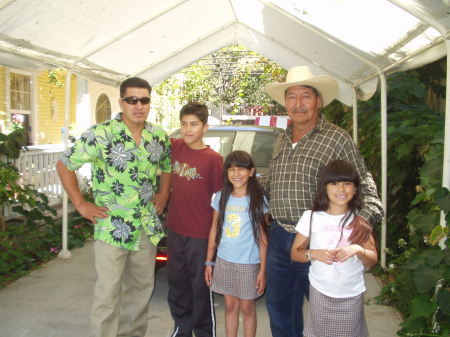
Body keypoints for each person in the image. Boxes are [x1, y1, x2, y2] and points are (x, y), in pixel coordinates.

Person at [261, 65, 383, 337]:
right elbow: (270, 181)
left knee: (324, 315)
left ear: (319, 101)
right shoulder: (281, 138)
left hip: (320, 240)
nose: (298, 104)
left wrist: (366, 216)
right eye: (291, 97)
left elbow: (363, 180)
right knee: (279, 308)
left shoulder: (336, 138)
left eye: (306, 96)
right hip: (281, 237)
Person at [56, 77, 172, 337]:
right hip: (111, 226)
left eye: (144, 100)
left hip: (145, 226)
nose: (138, 106)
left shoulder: (158, 136)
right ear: (121, 102)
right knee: (107, 296)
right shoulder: (100, 134)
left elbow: (166, 167)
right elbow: (64, 165)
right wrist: (81, 204)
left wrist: (163, 194)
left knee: (141, 293)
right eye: (132, 100)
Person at [291, 160, 377, 337]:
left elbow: (372, 259)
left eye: (347, 184)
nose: (341, 189)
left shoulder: (360, 221)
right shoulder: (311, 217)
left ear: (355, 189)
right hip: (320, 292)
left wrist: (358, 250)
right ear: (325, 188)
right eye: (334, 183)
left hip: (351, 294)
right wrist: (314, 253)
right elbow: (295, 254)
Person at [166, 102, 223, 337]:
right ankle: (181, 327)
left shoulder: (213, 159)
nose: (187, 130)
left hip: (200, 234)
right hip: (175, 230)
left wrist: (214, 241)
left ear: (205, 127)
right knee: (177, 284)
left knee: (200, 287)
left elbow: (220, 202)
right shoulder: (176, 147)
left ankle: (203, 331)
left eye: (194, 124)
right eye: (183, 124)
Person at [204, 150, 269, 337]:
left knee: (247, 307)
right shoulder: (221, 197)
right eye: (231, 170)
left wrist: (262, 270)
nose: (236, 174)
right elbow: (215, 229)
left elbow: (263, 238)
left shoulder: (258, 200)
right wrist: (209, 261)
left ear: (251, 172)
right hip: (224, 261)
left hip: (249, 263)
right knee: (230, 306)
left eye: (241, 169)